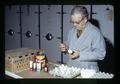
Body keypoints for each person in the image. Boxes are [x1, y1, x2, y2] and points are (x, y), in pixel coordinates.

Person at [59, 6, 106, 72]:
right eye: (72, 22)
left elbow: (101, 54)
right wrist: (65, 47)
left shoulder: (95, 32)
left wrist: (80, 54)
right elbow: (69, 46)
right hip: (72, 68)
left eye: (77, 22)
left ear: (85, 19)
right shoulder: (71, 31)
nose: (74, 25)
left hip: (88, 71)